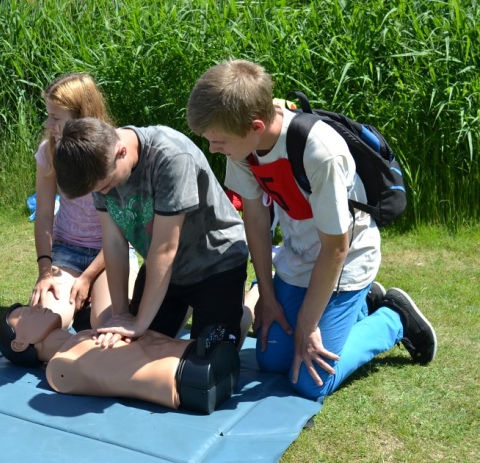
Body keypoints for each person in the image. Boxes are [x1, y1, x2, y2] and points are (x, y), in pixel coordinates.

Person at [186, 58, 437, 400]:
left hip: (344, 264)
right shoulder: (242, 143)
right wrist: (269, 298)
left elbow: (336, 247)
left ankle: (392, 318)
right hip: (299, 259)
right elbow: (256, 221)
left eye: (219, 142)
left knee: (308, 380)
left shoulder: (321, 152)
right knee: (270, 359)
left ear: (256, 127)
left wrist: (307, 325)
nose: (213, 149)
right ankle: (360, 307)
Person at [53, 118, 250, 349]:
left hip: (215, 264)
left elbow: (166, 247)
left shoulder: (170, 157)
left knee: (208, 362)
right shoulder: (96, 167)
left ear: (121, 151)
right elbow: (114, 242)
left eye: (106, 186)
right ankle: (187, 308)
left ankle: (243, 312)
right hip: (166, 270)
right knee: (130, 348)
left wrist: (139, 324)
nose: (105, 192)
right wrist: (122, 316)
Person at [30, 73, 137, 330]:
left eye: (56, 118)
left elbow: (121, 230)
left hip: (112, 251)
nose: (48, 123)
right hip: (67, 249)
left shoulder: (113, 153)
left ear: (81, 117)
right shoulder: (49, 151)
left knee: (107, 326)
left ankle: (88, 309)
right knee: (44, 325)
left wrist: (88, 277)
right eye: (48, 115)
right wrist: (45, 271)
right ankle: (79, 312)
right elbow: (44, 214)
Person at [0, 304, 240, 414]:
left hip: (190, 354)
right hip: (184, 376)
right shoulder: (60, 370)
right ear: (20, 344)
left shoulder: (80, 336)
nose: (36, 307)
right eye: (26, 314)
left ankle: (253, 294)